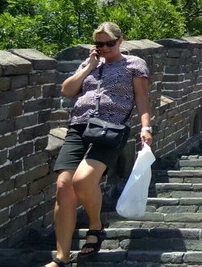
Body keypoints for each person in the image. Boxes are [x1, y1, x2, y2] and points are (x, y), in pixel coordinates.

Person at [46, 22, 153, 267]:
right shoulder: (90, 63)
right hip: (79, 127)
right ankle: (61, 257)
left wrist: (145, 127)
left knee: (83, 180)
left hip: (111, 129)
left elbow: (142, 98)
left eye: (109, 43)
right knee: (63, 187)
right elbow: (67, 90)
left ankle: (95, 225)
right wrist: (90, 66)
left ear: (120, 41)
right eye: (99, 44)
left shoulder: (134, 64)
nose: (104, 48)